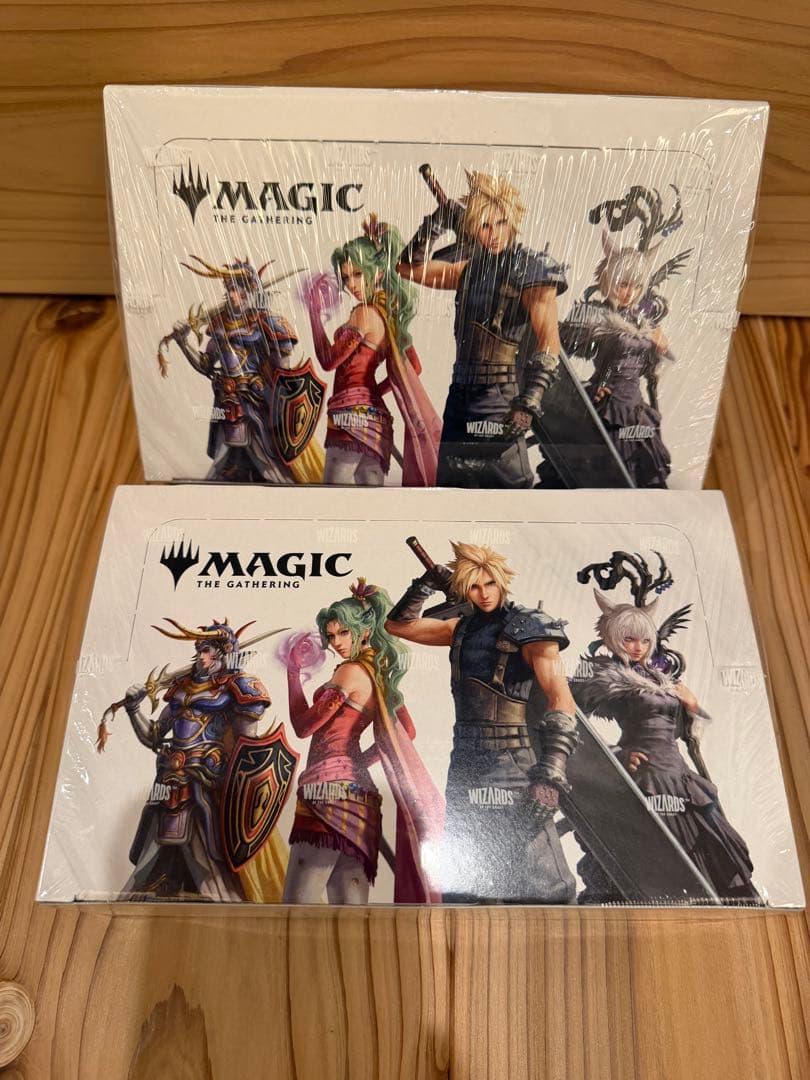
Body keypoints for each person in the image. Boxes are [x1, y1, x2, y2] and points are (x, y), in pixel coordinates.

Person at [385, 542, 579, 903]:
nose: (484, 593)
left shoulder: (531, 627)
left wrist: (550, 774)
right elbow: (398, 625)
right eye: (474, 586)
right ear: (463, 588)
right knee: (468, 877)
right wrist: (424, 584)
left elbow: (561, 701)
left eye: (490, 583)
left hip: (513, 761)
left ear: (502, 581)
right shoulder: (460, 629)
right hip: (466, 759)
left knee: (538, 880)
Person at [572, 590, 759, 902]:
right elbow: (567, 719)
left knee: (716, 847)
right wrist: (616, 756)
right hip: (647, 776)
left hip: (681, 776)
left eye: (645, 641)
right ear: (613, 637)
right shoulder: (607, 677)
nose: (638, 647)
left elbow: (687, 731)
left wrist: (691, 703)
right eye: (629, 639)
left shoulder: (661, 678)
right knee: (662, 852)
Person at [397, 171, 568, 488]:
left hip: (499, 398)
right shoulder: (467, 270)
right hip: (460, 395)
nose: (494, 234)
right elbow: (407, 267)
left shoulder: (530, 268)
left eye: (501, 223)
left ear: (513, 221)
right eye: (485, 225)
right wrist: (438, 220)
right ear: (473, 226)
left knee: (505, 487)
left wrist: (530, 400)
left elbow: (549, 341)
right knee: (451, 487)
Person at [282, 580, 444, 904]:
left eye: (344, 632)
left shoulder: (350, 672)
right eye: (331, 635)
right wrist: (358, 762)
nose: (337, 642)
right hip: (362, 796)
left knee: (297, 905)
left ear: (365, 630)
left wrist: (292, 672)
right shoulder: (380, 675)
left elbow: (303, 727)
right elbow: (408, 729)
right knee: (350, 907)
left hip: (326, 791)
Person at [117, 618, 288, 901]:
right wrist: (133, 709)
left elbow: (247, 749)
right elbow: (154, 736)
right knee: (158, 850)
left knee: (211, 854)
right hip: (171, 779)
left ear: (225, 653)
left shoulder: (239, 688)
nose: (202, 656)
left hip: (209, 781)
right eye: (200, 650)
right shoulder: (181, 690)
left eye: (208, 650)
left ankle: (222, 902)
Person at [160, 256, 325, 483]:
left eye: (237, 289)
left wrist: (267, 318)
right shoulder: (219, 327)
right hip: (227, 400)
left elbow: (283, 366)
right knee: (225, 459)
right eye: (229, 289)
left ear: (249, 292)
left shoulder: (262, 323)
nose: (231, 294)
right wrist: (182, 342)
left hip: (255, 401)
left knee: (268, 460)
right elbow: (206, 365)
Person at [303, 216, 441, 486]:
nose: (351, 284)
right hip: (377, 420)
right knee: (371, 498)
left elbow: (328, 361)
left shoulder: (364, 313)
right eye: (346, 277)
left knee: (332, 495)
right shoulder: (390, 315)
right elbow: (414, 366)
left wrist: (314, 313)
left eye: (357, 274)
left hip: (350, 415)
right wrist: (374, 391)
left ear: (377, 272)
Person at [551, 233, 677, 488]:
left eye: (636, 286)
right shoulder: (594, 315)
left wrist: (661, 348)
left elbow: (652, 371)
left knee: (644, 472)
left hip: (636, 409)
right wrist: (584, 391)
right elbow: (555, 350)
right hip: (608, 408)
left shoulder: (642, 322)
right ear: (609, 280)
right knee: (612, 473)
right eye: (623, 284)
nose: (629, 293)